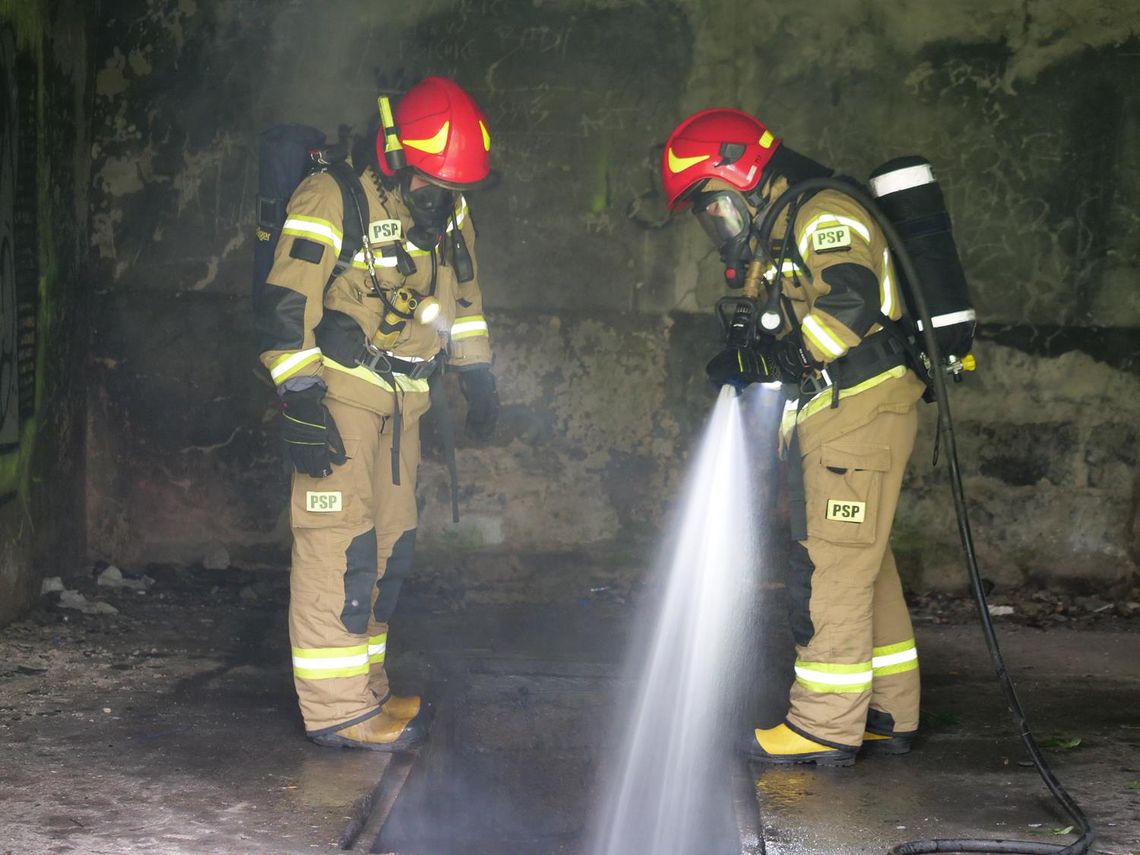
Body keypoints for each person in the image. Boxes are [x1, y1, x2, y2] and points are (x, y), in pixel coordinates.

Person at [661, 108, 925, 766]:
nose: (715, 224)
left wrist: (789, 361)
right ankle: (890, 709)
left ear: (743, 174)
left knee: (830, 566)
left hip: (860, 408)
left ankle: (822, 725)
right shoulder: (784, 228)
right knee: (863, 562)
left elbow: (851, 298)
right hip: (848, 409)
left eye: (714, 206)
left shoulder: (819, 213)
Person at [255, 77, 500, 750]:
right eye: (431, 185)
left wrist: (477, 372)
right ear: (397, 155)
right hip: (339, 399)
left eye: (453, 190)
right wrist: (300, 401)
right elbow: (284, 303)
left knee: (391, 544)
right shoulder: (332, 196)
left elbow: (466, 293)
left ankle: (366, 687)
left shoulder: (447, 206)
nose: (442, 200)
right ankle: (336, 707)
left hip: (406, 403)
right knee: (340, 544)